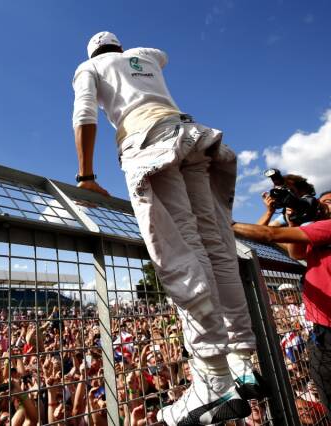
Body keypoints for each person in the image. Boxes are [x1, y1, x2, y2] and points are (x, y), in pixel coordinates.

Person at [71, 31, 257, 425]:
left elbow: (85, 114)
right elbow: (163, 55)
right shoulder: (145, 54)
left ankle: (215, 379)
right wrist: (136, 65)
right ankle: (244, 362)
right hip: (189, 135)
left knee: (181, 250)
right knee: (218, 248)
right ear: (119, 47)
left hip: (147, 142)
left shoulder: (89, 67)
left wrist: (86, 174)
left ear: (92, 53)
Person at [233, 191, 331, 414]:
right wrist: (293, 220)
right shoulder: (317, 237)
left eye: (329, 202)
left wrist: (224, 223)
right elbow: (296, 253)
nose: (323, 206)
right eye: (321, 203)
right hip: (322, 333)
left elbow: (268, 234)